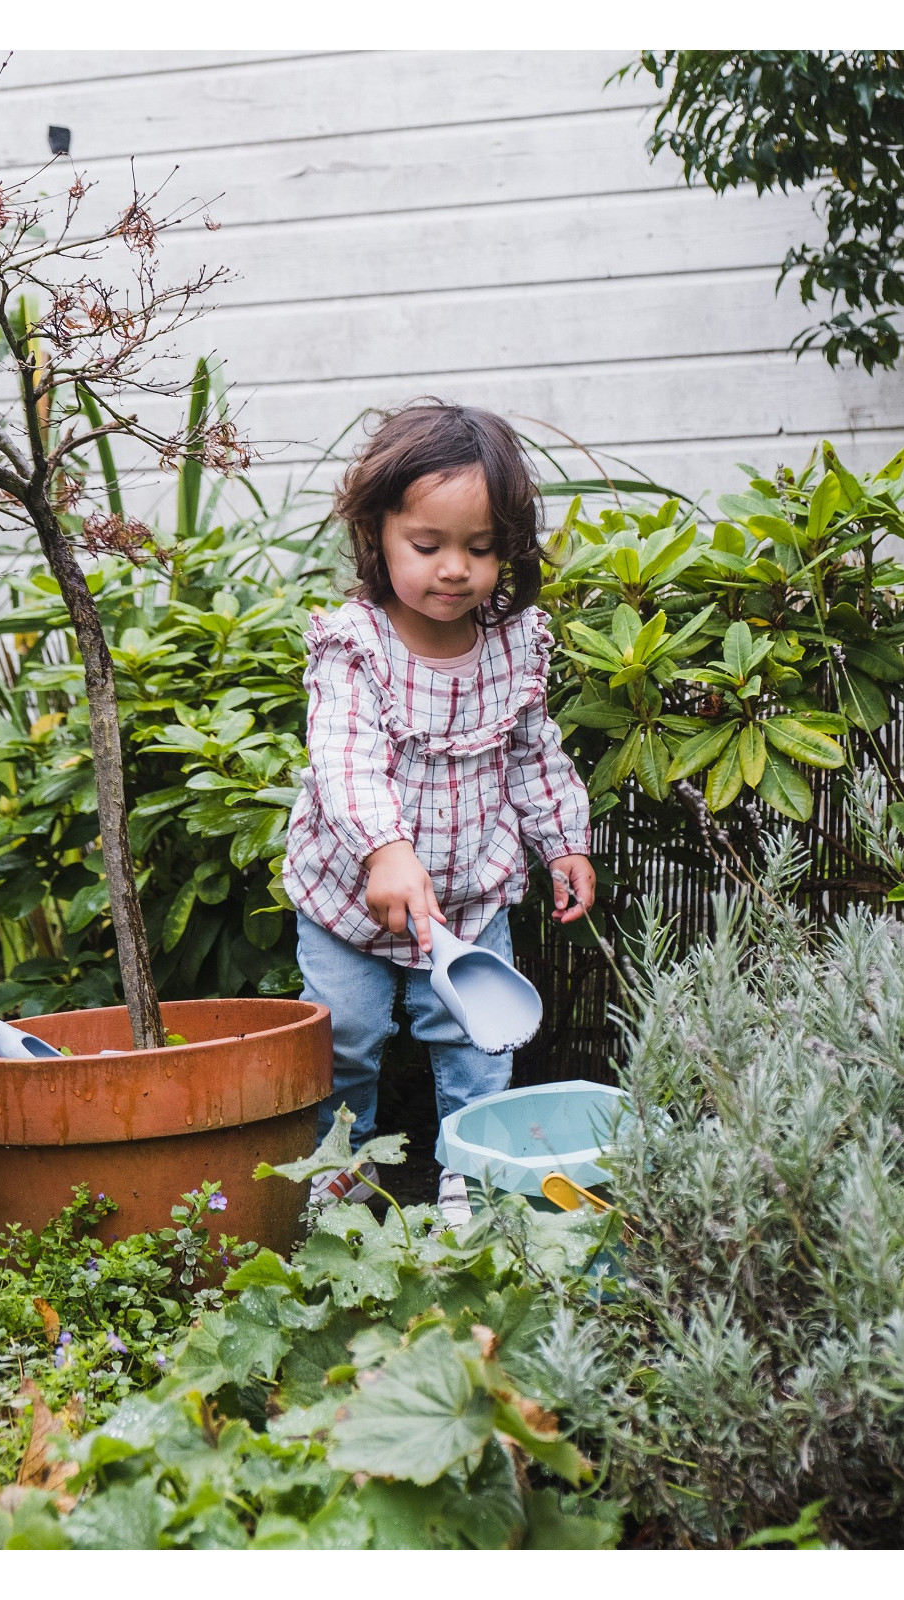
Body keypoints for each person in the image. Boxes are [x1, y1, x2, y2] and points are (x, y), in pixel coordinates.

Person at [282, 400, 596, 1228]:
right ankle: (342, 1170)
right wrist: (385, 849)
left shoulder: (512, 645)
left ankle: (472, 1169)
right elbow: (344, 758)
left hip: (468, 897)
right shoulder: (358, 645)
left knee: (475, 1044)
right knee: (344, 1037)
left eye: (481, 548)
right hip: (353, 899)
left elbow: (533, 750)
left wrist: (562, 841)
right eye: (429, 545)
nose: (455, 568)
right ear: (378, 533)